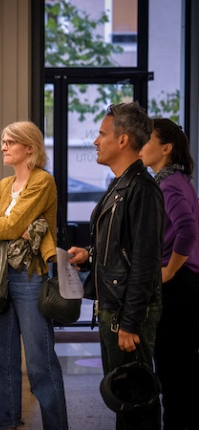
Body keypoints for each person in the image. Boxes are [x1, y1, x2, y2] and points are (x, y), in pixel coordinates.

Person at [68, 102, 163, 430]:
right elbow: (121, 249)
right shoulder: (120, 186)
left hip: (127, 313)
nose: (96, 141)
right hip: (115, 308)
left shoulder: (142, 190)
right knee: (124, 398)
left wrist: (130, 323)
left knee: (136, 399)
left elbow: (146, 264)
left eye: (102, 134)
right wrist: (90, 255)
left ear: (123, 140)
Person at [0, 120, 68, 430]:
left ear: (29, 148)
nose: (4, 146)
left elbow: (7, 225)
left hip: (30, 277)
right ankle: (6, 422)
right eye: (3, 141)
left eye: (10, 142)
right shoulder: (5, 186)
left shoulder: (43, 182)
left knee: (39, 362)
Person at [139, 118, 199, 430]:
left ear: (165, 148)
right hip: (185, 284)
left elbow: (188, 229)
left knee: (175, 371)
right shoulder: (176, 181)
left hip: (180, 285)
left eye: (147, 139)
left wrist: (169, 271)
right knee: (181, 371)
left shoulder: (169, 185)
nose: (141, 145)